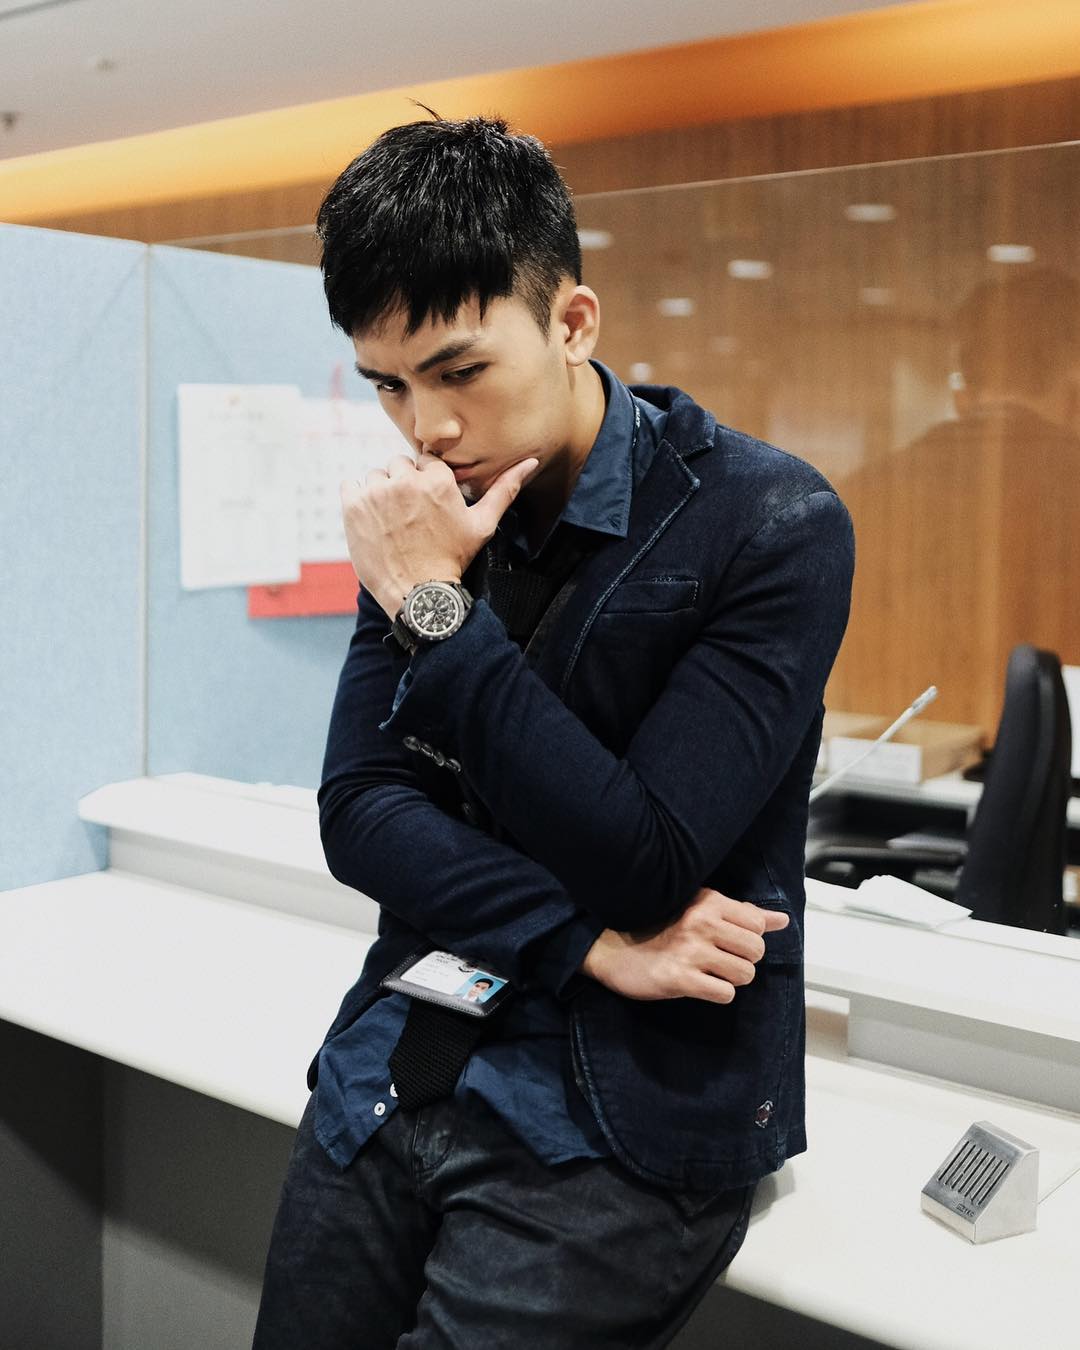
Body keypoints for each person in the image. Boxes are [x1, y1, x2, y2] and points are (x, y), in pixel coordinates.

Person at [253, 112, 854, 1349]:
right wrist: (581, 940)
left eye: (459, 372)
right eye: (388, 385)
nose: (425, 430)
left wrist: (431, 606)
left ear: (573, 323)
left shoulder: (765, 521)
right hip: (403, 1051)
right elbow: (361, 814)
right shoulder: (432, 517)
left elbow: (647, 855)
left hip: (620, 1112)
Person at [834, 267, 1080, 732]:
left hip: (882, 754)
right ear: (1072, 386)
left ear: (962, 390)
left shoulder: (863, 494)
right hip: (1054, 758)